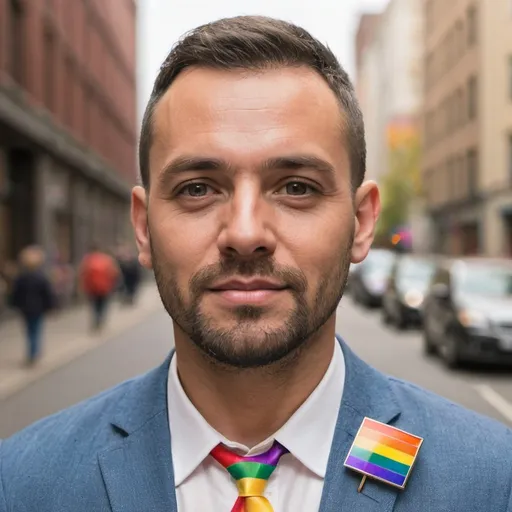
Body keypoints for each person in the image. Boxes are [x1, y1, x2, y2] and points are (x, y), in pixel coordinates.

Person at [0, 16, 511, 512]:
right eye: (197, 188)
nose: (245, 234)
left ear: (360, 222)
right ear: (143, 226)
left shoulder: (493, 481)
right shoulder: (22, 483)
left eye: (296, 187)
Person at [8, 246, 54, 365]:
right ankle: (33, 352)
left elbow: (15, 293)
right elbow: (47, 293)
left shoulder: (21, 277)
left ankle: (32, 352)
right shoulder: (41, 277)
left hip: (25, 308)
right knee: (35, 329)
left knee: (29, 330)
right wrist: (50, 306)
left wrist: (14, 305)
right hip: (37, 308)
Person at [79, 243, 119, 332]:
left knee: (94, 305)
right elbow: (114, 273)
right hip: (105, 287)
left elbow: (82, 274)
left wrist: (83, 287)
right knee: (103, 305)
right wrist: (113, 285)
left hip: (91, 288)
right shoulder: (107, 259)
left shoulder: (87, 260)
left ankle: (96, 320)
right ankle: (101, 319)